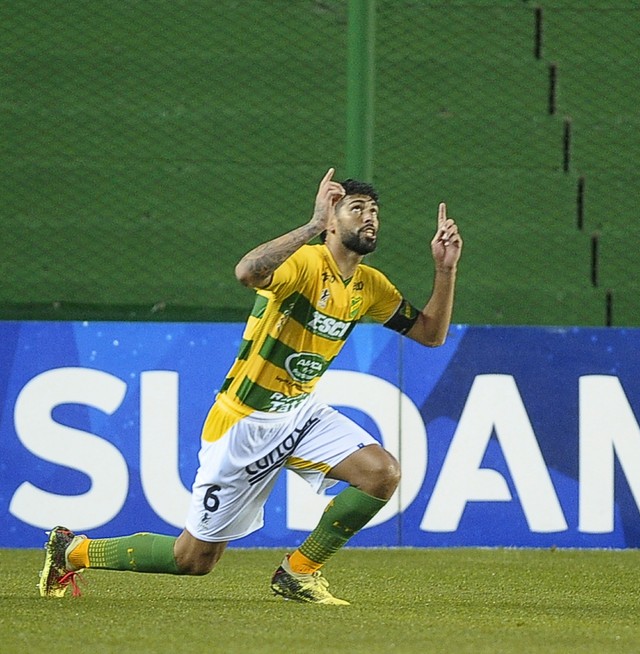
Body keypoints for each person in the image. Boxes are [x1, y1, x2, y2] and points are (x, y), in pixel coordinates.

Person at [38, 167, 462, 605]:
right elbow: (247, 272)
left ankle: (298, 572)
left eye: (374, 211)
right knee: (193, 559)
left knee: (381, 473)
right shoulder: (305, 262)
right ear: (332, 221)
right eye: (357, 209)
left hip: (299, 413)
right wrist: (312, 226)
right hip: (245, 423)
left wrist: (444, 270)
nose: (370, 218)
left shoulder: (369, 285)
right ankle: (73, 551)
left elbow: (430, 334)